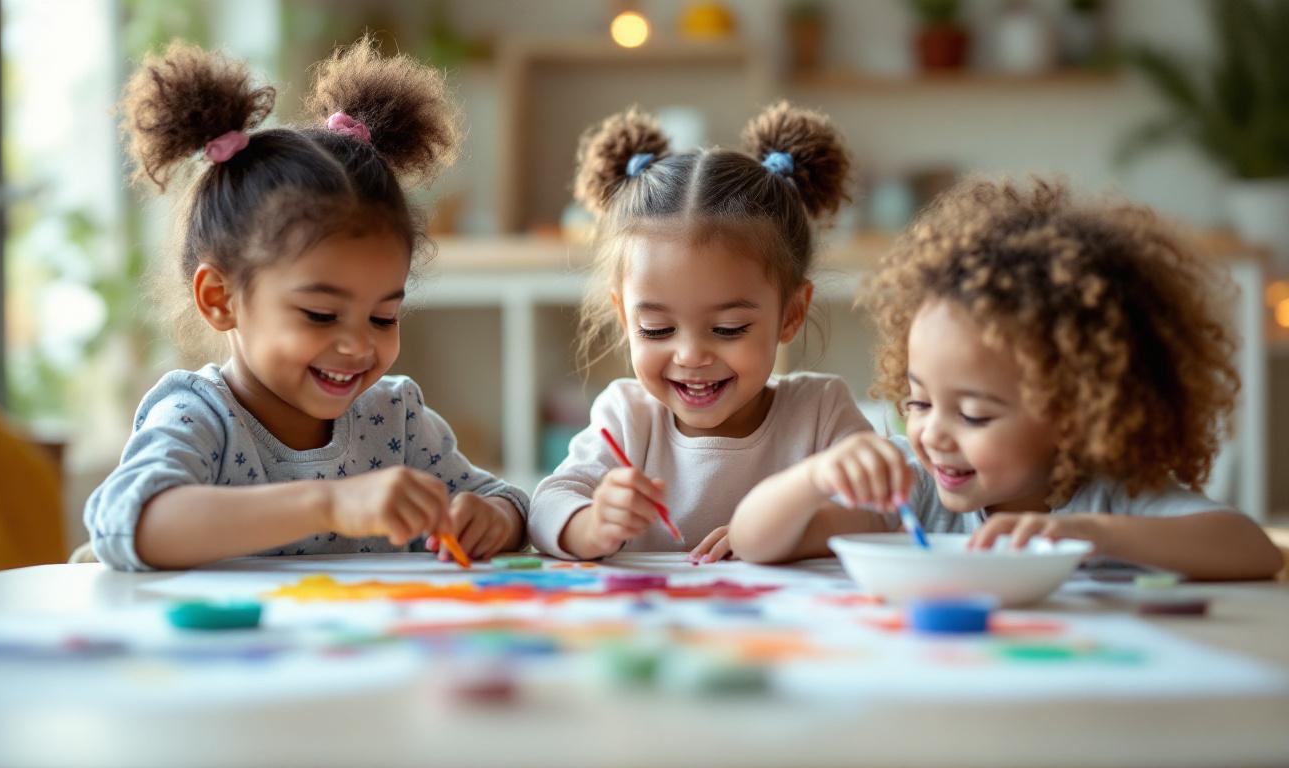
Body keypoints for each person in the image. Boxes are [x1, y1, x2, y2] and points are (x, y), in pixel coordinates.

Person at [85, 39, 527, 571]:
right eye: (321, 314)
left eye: (383, 317)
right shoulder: (199, 417)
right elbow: (127, 523)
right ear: (220, 299)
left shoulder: (395, 421)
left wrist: (493, 518)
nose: (359, 344)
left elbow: (508, 502)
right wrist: (329, 504)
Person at [730, 176, 1283, 580]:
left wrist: (1089, 534)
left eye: (973, 414)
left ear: (1075, 412)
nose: (932, 434)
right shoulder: (913, 486)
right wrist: (813, 478)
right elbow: (752, 540)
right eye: (919, 402)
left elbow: (1252, 550)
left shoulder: (1110, 494)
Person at [528, 103, 872, 562]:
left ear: (791, 313)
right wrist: (592, 523)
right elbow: (545, 506)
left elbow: (886, 511)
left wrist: (771, 533)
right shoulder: (628, 416)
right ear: (625, 318)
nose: (690, 355)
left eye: (728, 329)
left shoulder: (821, 413)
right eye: (657, 329)